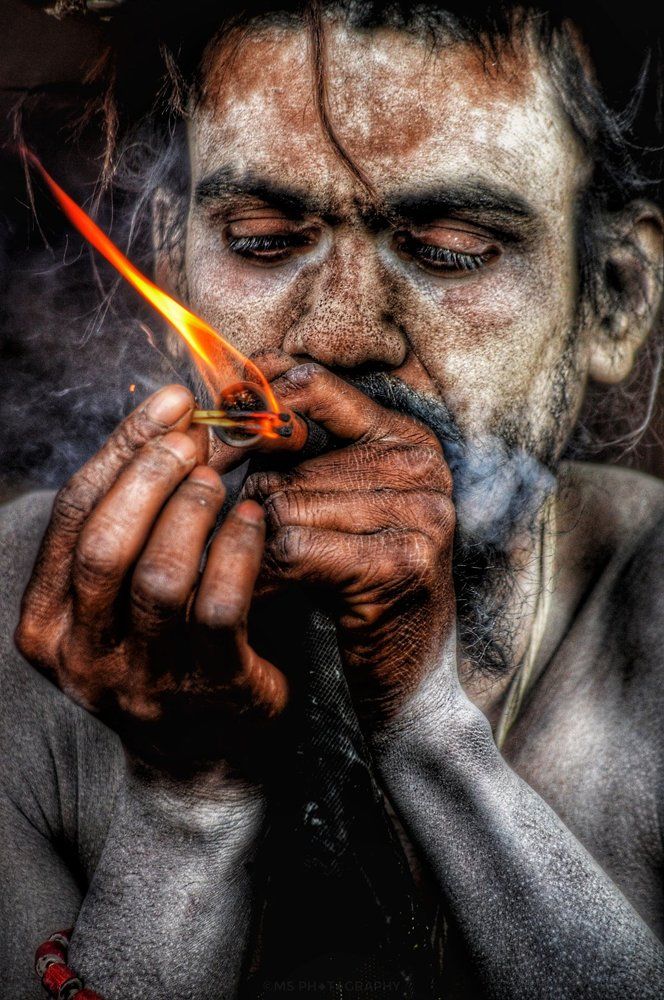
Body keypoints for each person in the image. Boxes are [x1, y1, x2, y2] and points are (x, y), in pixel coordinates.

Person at [1, 1, 663, 996]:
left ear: (611, 297)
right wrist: (184, 804)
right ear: (171, 262)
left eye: (448, 248)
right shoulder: (17, 611)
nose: (342, 334)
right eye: (264, 240)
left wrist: (428, 727)